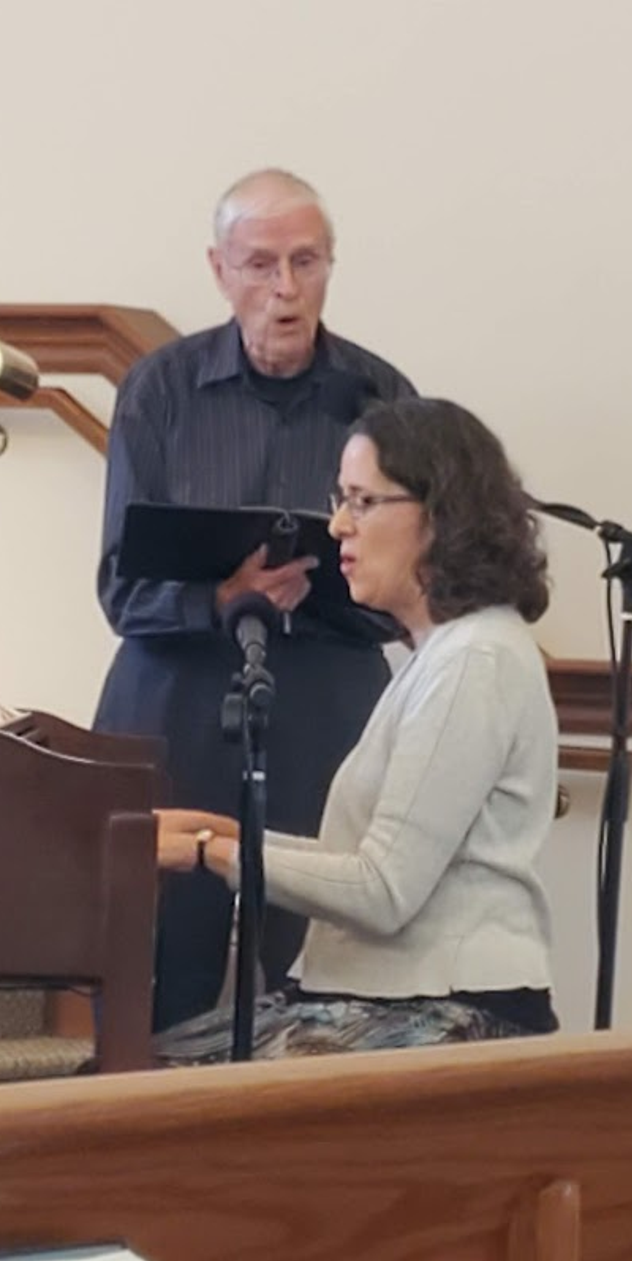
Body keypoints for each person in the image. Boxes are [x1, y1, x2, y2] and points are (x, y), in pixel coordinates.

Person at [93, 169, 416, 1031]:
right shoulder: (160, 389)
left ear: (330, 266)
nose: (285, 288)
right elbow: (122, 586)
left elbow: (409, 591)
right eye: (261, 263)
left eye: (305, 261)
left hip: (326, 698)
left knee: (321, 970)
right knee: (164, 967)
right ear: (219, 269)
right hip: (179, 697)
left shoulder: (385, 398)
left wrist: (324, 584)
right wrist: (225, 595)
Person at [152, 397, 559, 1062]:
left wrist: (210, 855)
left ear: (440, 514)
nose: (338, 525)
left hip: (449, 1012)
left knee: (144, 1096)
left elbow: (381, 892)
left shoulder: (474, 662)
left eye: (363, 503)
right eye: (340, 500)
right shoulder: (442, 654)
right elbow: (371, 863)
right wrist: (223, 831)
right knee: (125, 1076)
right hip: (391, 999)